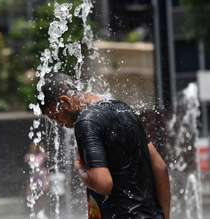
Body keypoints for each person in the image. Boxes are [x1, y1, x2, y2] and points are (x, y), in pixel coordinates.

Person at [40, 73, 170, 219]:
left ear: (64, 102)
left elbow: (103, 184)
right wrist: (165, 215)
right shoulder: (123, 108)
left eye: (56, 117)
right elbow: (160, 167)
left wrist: (79, 168)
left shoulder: (86, 122)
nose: (60, 124)